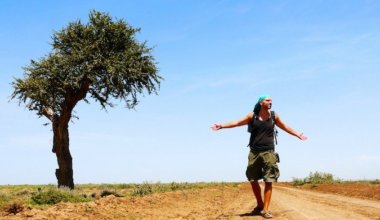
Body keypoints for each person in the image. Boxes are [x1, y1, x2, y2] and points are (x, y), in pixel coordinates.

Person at [211, 95, 307, 218]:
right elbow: (237, 122)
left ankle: (265, 209)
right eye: (268, 100)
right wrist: (222, 126)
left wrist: (298, 134)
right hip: (254, 152)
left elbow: (285, 127)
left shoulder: (274, 116)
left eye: (271, 100)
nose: (271, 102)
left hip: (269, 152)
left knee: (269, 180)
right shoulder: (252, 116)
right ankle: (260, 204)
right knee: (252, 179)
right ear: (261, 103)